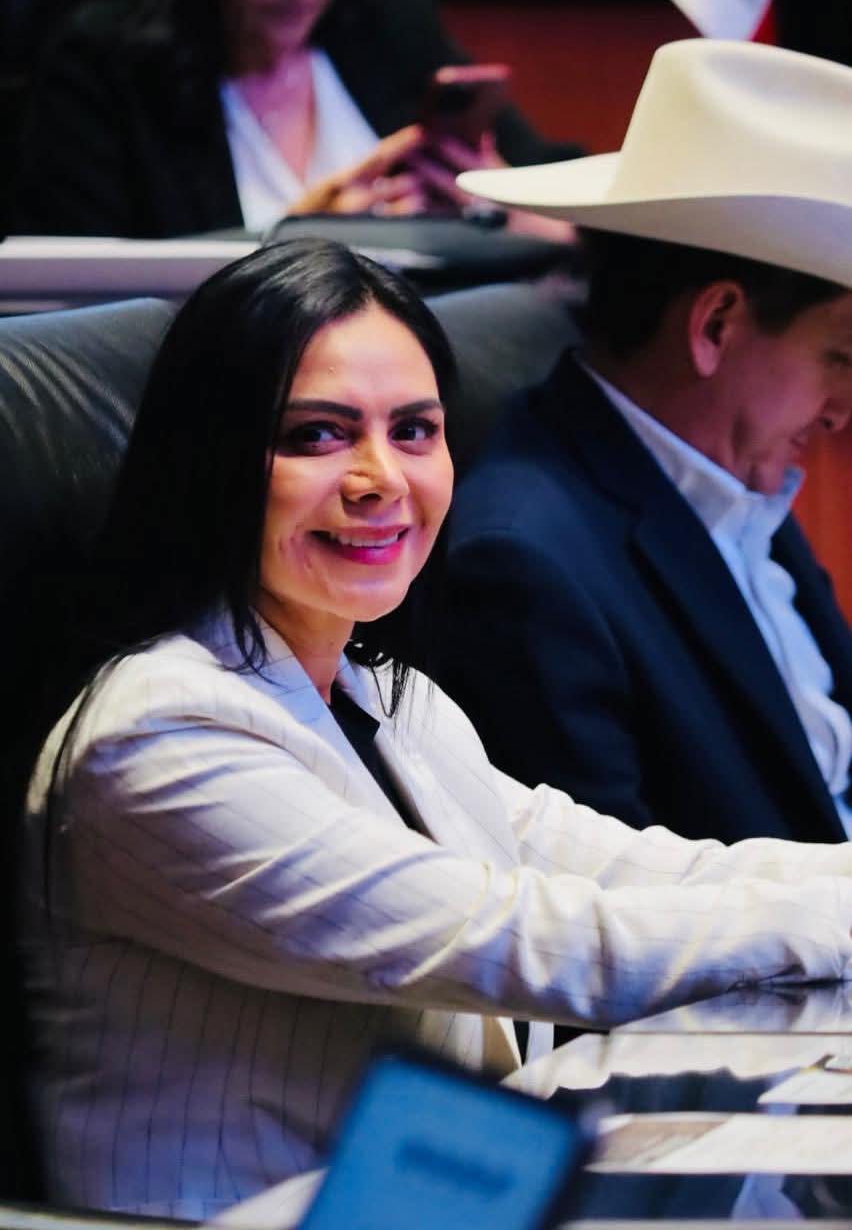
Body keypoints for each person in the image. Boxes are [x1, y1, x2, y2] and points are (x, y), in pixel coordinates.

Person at [20, 236, 852, 1219]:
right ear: (212, 461)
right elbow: (529, 939)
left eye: (414, 430)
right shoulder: (156, 736)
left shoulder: (380, 688)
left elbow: (626, 864)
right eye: (318, 435)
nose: (382, 478)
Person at [433, 37, 852, 845]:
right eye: (841, 358)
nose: (842, 412)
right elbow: (614, 904)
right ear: (716, 324)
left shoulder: (731, 476)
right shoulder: (524, 569)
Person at [11, 0, 580, 237]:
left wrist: (497, 202)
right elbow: (82, 295)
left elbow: (561, 189)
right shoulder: (106, 61)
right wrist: (299, 238)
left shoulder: (389, 20)